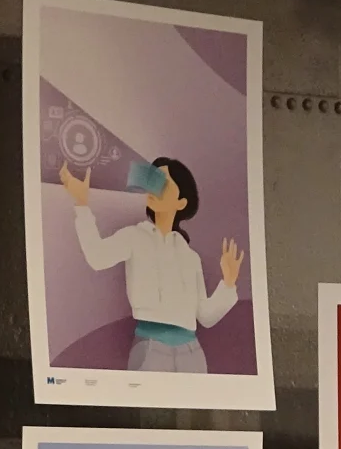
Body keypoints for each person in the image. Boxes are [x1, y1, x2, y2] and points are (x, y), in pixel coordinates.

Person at [60, 157, 245, 374]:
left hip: (192, 351)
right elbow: (97, 257)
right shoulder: (134, 237)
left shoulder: (190, 257)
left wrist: (228, 284)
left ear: (181, 203)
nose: (155, 188)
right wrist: (82, 205)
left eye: (164, 184)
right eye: (153, 181)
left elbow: (205, 316)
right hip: (150, 347)